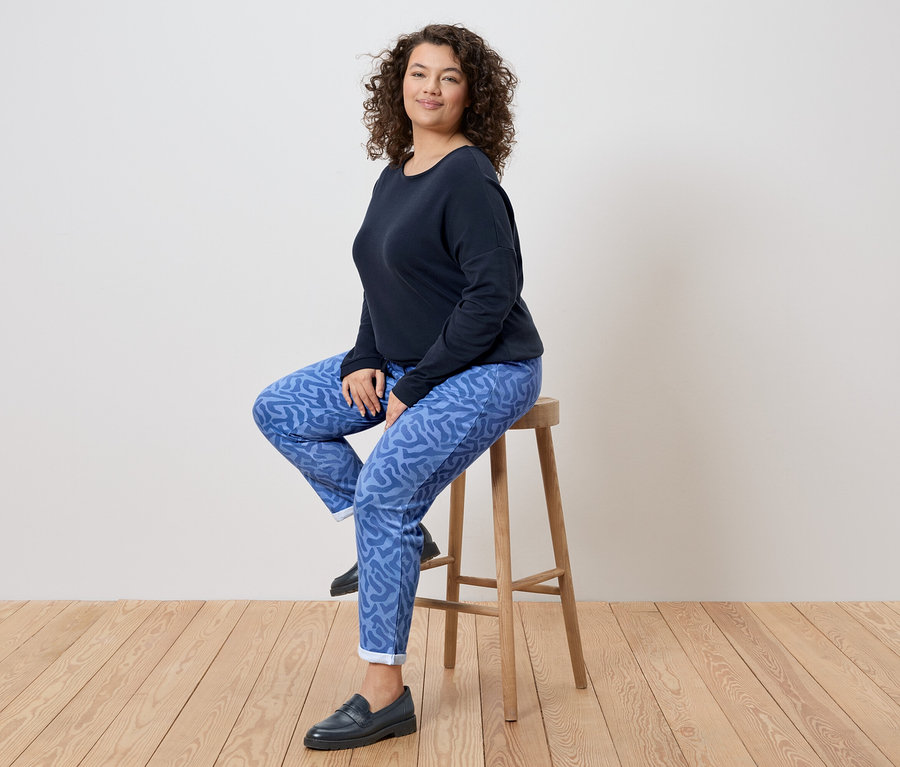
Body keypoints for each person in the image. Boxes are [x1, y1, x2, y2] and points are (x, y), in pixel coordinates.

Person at [253, 23, 543, 751]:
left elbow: (492, 295)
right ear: (399, 85)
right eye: (420, 73)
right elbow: (383, 279)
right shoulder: (397, 171)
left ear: (471, 93)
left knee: (386, 489)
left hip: (491, 366)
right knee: (280, 408)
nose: (431, 88)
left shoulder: (469, 175)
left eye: (448, 77)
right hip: (414, 359)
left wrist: (417, 381)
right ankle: (403, 540)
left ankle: (384, 693)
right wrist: (363, 355)